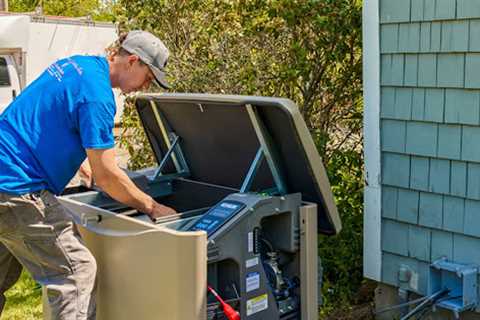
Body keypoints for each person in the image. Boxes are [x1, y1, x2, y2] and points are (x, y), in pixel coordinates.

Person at [0, 30, 176, 319]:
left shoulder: (76, 65)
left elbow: (45, 119)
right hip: (17, 187)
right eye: (149, 76)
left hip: (4, 173)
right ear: (133, 61)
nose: (147, 85)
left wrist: (83, 166)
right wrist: (153, 207)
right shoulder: (98, 97)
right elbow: (107, 176)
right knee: (76, 274)